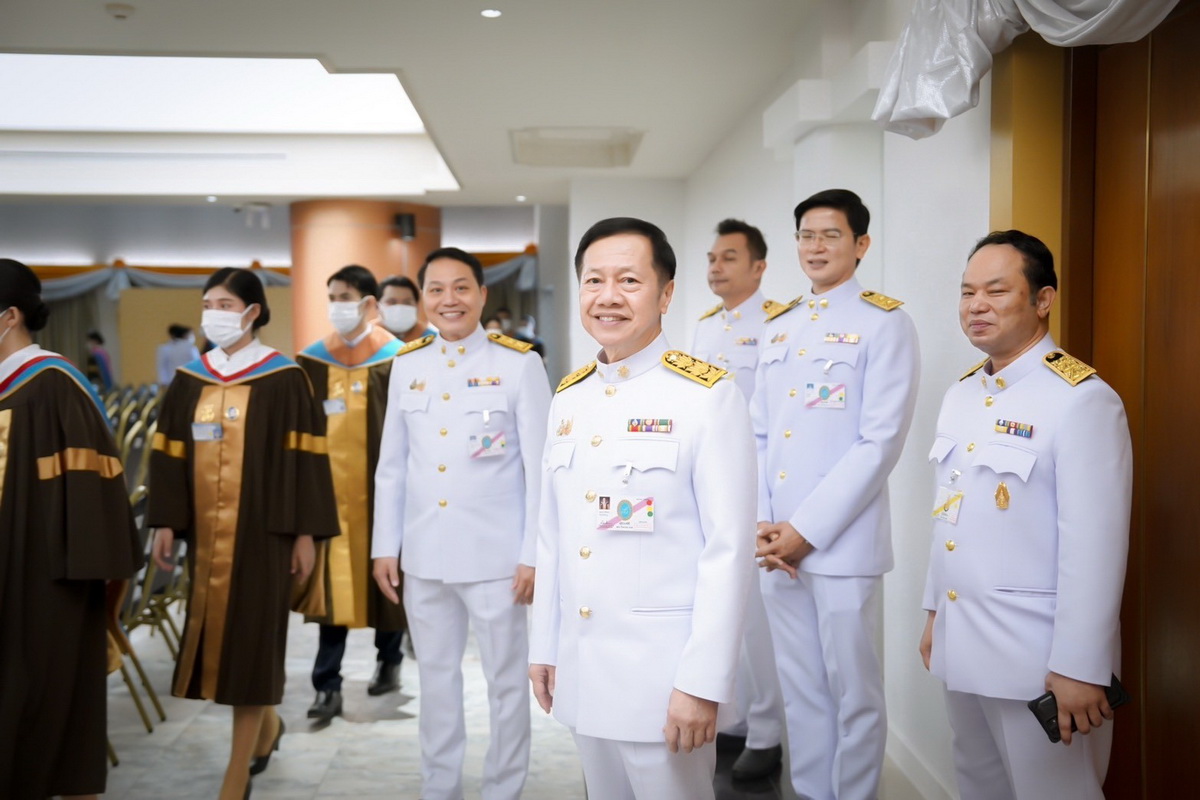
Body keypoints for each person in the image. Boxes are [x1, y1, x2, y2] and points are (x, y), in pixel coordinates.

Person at [530, 217, 756, 800]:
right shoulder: (569, 398)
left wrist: (702, 683)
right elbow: (553, 537)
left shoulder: (706, 397)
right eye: (594, 280)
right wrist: (545, 646)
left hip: (664, 684)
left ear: (666, 293)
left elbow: (729, 552)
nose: (608, 296)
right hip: (583, 672)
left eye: (629, 280)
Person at [920, 230, 1131, 800]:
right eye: (967, 292)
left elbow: (1096, 546)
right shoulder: (963, 394)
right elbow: (949, 511)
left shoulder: (1082, 399)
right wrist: (936, 610)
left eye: (995, 291)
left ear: (1043, 300)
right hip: (963, 640)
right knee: (978, 785)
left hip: (1038, 661)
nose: (976, 306)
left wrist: (1081, 666)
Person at [752, 189, 920, 799]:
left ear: (860, 244)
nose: (815, 246)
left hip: (843, 545)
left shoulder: (885, 323)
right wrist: (764, 524)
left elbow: (880, 442)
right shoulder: (780, 325)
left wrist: (805, 530)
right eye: (806, 235)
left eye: (830, 235)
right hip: (776, 547)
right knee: (801, 690)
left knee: (854, 693)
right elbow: (759, 434)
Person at [147, 267, 339, 800]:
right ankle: (268, 727)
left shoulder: (284, 378)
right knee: (225, 641)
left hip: (265, 536)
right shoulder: (190, 379)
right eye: (209, 304)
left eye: (226, 305)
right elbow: (169, 453)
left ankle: (236, 773)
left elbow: (305, 461)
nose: (215, 314)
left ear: (253, 312)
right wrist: (166, 520)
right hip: (207, 541)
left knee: (253, 644)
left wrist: (305, 534)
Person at [372, 247, 550, 800]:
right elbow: (392, 466)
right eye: (436, 289)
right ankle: (439, 788)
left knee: (506, 685)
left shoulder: (519, 364)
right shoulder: (408, 364)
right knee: (436, 682)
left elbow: (541, 470)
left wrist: (533, 554)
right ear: (424, 298)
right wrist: (385, 547)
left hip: (498, 560)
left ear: (482, 294)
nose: (449, 299)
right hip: (425, 555)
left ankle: (503, 790)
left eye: (461, 287)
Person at [0, 259, 143, 800]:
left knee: (44, 718)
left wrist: (71, 591)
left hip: (41, 587)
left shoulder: (55, 384)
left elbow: (93, 495)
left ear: (10, 316)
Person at [690, 218, 785, 781]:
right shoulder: (705, 328)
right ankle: (739, 719)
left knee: (761, 621)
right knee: (728, 611)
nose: (716, 266)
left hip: (760, 491)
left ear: (759, 266)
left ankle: (768, 733)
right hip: (714, 489)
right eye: (711, 258)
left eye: (729, 257)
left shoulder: (777, 323)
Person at [296, 265, 407, 721]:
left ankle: (389, 660)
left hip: (384, 497)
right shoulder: (313, 360)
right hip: (329, 499)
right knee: (332, 592)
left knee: (389, 584)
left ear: (368, 303)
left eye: (344, 297)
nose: (336, 306)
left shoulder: (398, 357)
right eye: (332, 297)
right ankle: (327, 685)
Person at [379, 275, 435, 342]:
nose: (399, 309)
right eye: (392, 302)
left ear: (417, 305)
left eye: (407, 302)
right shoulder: (369, 336)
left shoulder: (432, 339)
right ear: (377, 305)